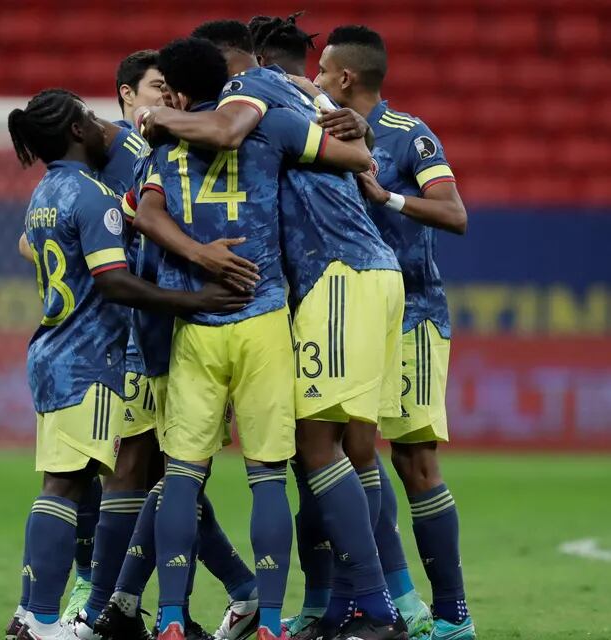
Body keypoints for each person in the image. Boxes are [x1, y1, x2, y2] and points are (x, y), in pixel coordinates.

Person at [139, 20, 409, 640]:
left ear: (178, 94)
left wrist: (200, 253)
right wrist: (352, 129)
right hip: (263, 318)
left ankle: (174, 620)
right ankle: (271, 622)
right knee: (273, 472)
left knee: (183, 473)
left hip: (197, 321)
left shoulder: (163, 146)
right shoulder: (273, 127)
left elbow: (147, 212)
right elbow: (356, 157)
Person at [7, 88, 249, 640]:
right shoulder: (92, 199)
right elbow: (115, 283)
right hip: (89, 360)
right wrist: (197, 301)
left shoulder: (44, 192)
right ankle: (44, 618)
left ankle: (30, 613)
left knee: (62, 482)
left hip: (52, 351)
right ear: (74, 131)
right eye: (89, 118)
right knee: (66, 487)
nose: (99, 125)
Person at [247, 14, 433, 639]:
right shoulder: (314, 102)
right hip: (368, 278)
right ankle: (350, 602)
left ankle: (375, 606)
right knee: (353, 448)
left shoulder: (270, 97)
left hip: (341, 276)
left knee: (316, 446)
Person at [316, 25, 474, 640]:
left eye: (323, 70)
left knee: (414, 461)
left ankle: (454, 614)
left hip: (411, 313)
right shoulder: (318, 135)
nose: (318, 79)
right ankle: (399, 603)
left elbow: (455, 213)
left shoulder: (409, 136)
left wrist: (390, 199)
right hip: (349, 313)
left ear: (345, 77)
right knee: (353, 455)